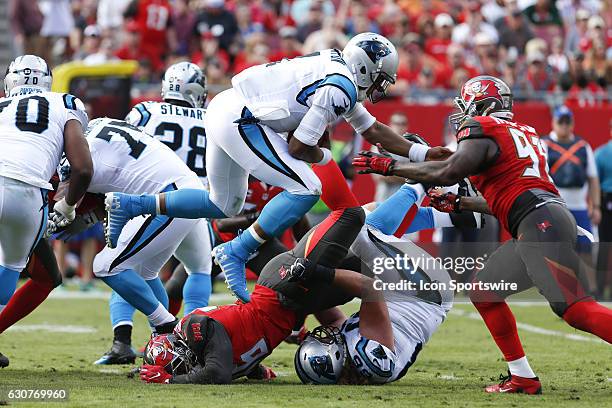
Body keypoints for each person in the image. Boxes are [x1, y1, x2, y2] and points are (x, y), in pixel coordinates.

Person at [104, 33, 451, 303]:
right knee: (307, 188)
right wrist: (327, 159)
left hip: (226, 107)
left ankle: (130, 204)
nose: (381, 87)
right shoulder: (340, 85)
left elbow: (373, 130)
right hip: (242, 118)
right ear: (365, 69)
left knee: (223, 203)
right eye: (380, 78)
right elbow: (301, 147)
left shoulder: (336, 73)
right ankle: (236, 250)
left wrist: (422, 153)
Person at [353, 75, 612, 394]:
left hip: (540, 223)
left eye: (466, 105)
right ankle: (523, 377)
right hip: (539, 219)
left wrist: (391, 167)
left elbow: (448, 171)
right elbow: (504, 200)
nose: (463, 113)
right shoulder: (522, 132)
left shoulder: (484, 128)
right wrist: (459, 202)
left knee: (575, 309)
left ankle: (524, 377)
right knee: (484, 291)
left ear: (485, 105)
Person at [138, 161, 471, 384]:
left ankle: (314, 156)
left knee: (354, 223)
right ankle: (430, 195)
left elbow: (357, 299)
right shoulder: (373, 358)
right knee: (357, 227)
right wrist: (314, 275)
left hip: (286, 292)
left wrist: (314, 274)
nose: (322, 335)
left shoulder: (197, 330)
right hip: (420, 290)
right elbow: (362, 293)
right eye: (325, 341)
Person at [52, 117, 212, 365]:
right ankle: (172, 348)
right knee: (148, 273)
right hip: (185, 191)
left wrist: (62, 212)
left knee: (106, 265)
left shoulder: (78, 149)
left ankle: (168, 328)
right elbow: (115, 182)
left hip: (166, 198)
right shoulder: (102, 126)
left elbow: (77, 183)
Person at [94, 62, 213, 365]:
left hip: (151, 199)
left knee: (127, 265)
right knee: (198, 269)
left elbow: (120, 147)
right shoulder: (211, 118)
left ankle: (128, 340)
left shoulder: (146, 111)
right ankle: (190, 342)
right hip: (195, 202)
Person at [0, 55, 92, 367]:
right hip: (26, 192)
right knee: (16, 272)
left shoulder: (2, 105)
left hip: (23, 188)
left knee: (45, 274)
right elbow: (82, 168)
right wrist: (67, 208)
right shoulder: (65, 103)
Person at [542, 106, 600, 264]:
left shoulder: (583, 146)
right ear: (553, 122)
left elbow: (593, 178)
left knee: (587, 248)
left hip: (580, 206)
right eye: (561, 121)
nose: (564, 125)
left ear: (572, 123)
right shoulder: (544, 145)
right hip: (556, 206)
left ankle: (588, 287)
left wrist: (596, 206)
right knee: (557, 248)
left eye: (567, 122)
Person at [595, 120, 612, 299]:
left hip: (606, 200)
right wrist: (596, 205)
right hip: (606, 202)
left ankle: (601, 290)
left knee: (603, 248)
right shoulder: (601, 153)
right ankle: (599, 289)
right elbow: (595, 182)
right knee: (603, 248)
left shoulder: (601, 153)